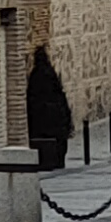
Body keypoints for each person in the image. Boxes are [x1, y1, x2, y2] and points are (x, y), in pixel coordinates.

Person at [25, 44, 75, 174]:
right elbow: (60, 95)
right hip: (55, 119)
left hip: (40, 119)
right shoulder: (51, 76)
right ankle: (57, 162)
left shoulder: (35, 77)